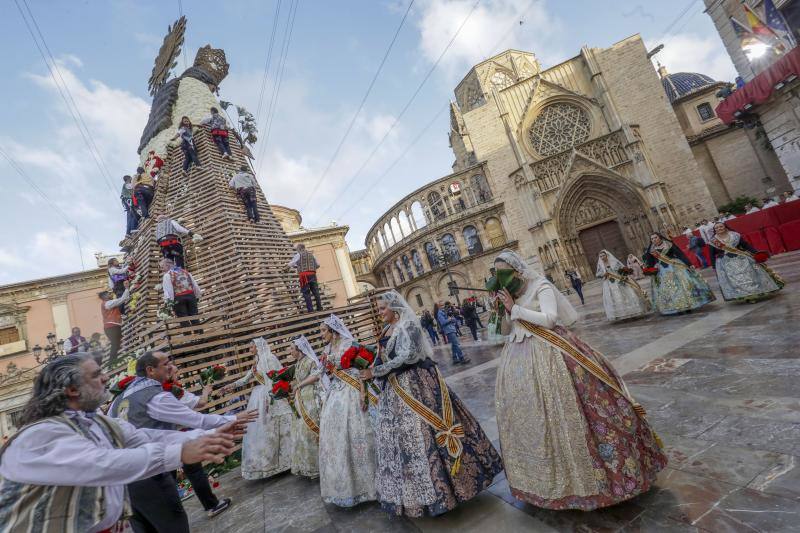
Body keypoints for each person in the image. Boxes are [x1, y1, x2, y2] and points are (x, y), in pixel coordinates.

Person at [492, 250, 666, 510]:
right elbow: (505, 331)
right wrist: (502, 312)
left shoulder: (541, 286)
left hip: (552, 354)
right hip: (518, 358)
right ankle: (542, 483)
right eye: (497, 274)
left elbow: (550, 320)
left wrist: (515, 308)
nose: (501, 277)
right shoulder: (511, 295)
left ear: (518, 270)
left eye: (504, 271)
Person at [0, 353, 240, 533]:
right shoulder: (40, 434)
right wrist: (179, 453)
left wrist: (211, 434)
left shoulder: (98, 421)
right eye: (95, 374)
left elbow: (144, 437)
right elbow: (99, 465)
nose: (105, 378)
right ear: (72, 389)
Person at [360, 291, 503, 517]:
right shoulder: (390, 330)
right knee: (404, 440)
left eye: (382, 309)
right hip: (397, 387)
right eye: (378, 309)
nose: (380, 313)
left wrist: (376, 371)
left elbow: (409, 356)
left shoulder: (410, 326)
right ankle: (417, 497)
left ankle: (450, 489)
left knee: (425, 433)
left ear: (395, 308)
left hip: (418, 384)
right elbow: (387, 357)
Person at [109, 351, 258, 529]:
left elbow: (130, 436)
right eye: (166, 364)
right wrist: (232, 419)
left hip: (127, 480)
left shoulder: (118, 400)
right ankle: (211, 504)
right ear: (150, 370)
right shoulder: (156, 396)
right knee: (174, 524)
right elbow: (198, 420)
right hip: (153, 474)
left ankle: (210, 503)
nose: (172, 367)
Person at [317, 314, 377, 507]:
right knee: (336, 437)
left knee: (356, 433)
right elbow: (327, 373)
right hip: (335, 393)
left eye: (323, 331)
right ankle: (344, 485)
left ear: (333, 331)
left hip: (351, 392)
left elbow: (361, 369)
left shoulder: (348, 343)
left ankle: (369, 485)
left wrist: (362, 392)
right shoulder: (327, 349)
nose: (321, 335)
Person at [221, 339, 293, 479]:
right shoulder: (256, 361)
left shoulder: (269, 358)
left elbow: (277, 378)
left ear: (258, 347)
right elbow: (245, 380)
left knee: (278, 428)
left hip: (270, 397)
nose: (250, 350)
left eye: (251, 347)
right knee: (264, 430)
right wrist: (229, 386)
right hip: (259, 397)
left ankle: (287, 461)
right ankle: (269, 464)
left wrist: (271, 397)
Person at [709, 222, 784, 302]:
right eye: (716, 228)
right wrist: (714, 266)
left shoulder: (735, 235)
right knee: (735, 280)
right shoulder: (713, 241)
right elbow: (712, 254)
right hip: (726, 262)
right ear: (714, 230)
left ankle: (755, 292)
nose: (719, 229)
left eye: (720, 226)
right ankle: (746, 296)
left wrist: (756, 253)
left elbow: (745, 245)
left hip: (741, 258)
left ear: (725, 227)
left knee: (750, 276)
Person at [643, 233, 715, 315]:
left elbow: (680, 254)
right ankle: (674, 307)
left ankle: (688, 305)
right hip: (661, 270)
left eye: (655, 237)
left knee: (683, 285)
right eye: (652, 239)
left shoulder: (669, 244)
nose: (654, 239)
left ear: (660, 237)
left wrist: (689, 263)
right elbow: (650, 262)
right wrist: (651, 268)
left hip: (674, 266)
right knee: (668, 289)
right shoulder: (651, 250)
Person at [288, 335, 326, 478]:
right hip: (301, 399)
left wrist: (299, 385)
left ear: (299, 349)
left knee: (311, 431)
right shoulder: (298, 363)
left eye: (292, 348)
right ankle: (309, 466)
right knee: (302, 433)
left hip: (311, 399)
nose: (290, 351)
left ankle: (319, 465)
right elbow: (297, 380)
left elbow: (316, 376)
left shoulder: (309, 361)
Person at [596, 250, 649, 321]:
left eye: (603, 255)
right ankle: (622, 314)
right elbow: (597, 274)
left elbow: (622, 268)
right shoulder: (600, 265)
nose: (602, 257)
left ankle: (633, 311)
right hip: (609, 283)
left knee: (627, 295)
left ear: (607, 255)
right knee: (616, 297)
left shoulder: (614, 262)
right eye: (601, 256)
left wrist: (624, 275)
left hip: (619, 280)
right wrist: (603, 274)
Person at [287, 244, 323, 312]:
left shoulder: (298, 255)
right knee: (316, 292)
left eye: (297, 249)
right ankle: (319, 308)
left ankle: (310, 310)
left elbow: (291, 263)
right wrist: (310, 267)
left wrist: (286, 267)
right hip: (313, 275)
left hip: (304, 276)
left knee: (306, 293)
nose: (297, 251)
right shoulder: (312, 255)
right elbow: (318, 265)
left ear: (299, 249)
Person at [100, 285, 130, 363]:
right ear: (104, 297)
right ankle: (112, 361)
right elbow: (122, 299)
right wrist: (127, 288)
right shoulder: (108, 303)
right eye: (108, 294)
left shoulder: (107, 303)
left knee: (117, 343)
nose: (110, 295)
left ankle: (115, 360)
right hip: (112, 326)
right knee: (115, 343)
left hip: (112, 326)